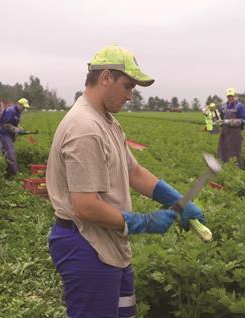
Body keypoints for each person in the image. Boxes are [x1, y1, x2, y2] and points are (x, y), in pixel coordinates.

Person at [46, 45, 206, 318]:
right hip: (87, 246)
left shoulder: (106, 121)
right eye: (128, 86)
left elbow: (133, 171)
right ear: (106, 77)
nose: (131, 96)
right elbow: (85, 206)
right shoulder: (85, 128)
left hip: (108, 243)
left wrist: (177, 201)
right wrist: (143, 222)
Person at [0, 98, 30, 176]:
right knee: (11, 153)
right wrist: (16, 130)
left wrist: (20, 128)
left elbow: (16, 123)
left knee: (5, 152)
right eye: (23, 107)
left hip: (10, 135)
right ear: (19, 104)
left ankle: (5, 172)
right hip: (5, 134)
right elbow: (6, 125)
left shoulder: (18, 112)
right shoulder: (10, 111)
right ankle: (14, 175)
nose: (24, 109)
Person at [216, 88, 245, 167]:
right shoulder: (223, 106)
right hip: (225, 132)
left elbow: (243, 121)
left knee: (234, 151)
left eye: (232, 96)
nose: (230, 98)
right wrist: (219, 121)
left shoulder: (240, 106)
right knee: (223, 149)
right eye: (229, 96)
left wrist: (230, 122)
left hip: (235, 133)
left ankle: (237, 168)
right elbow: (220, 118)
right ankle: (224, 166)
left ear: (235, 96)